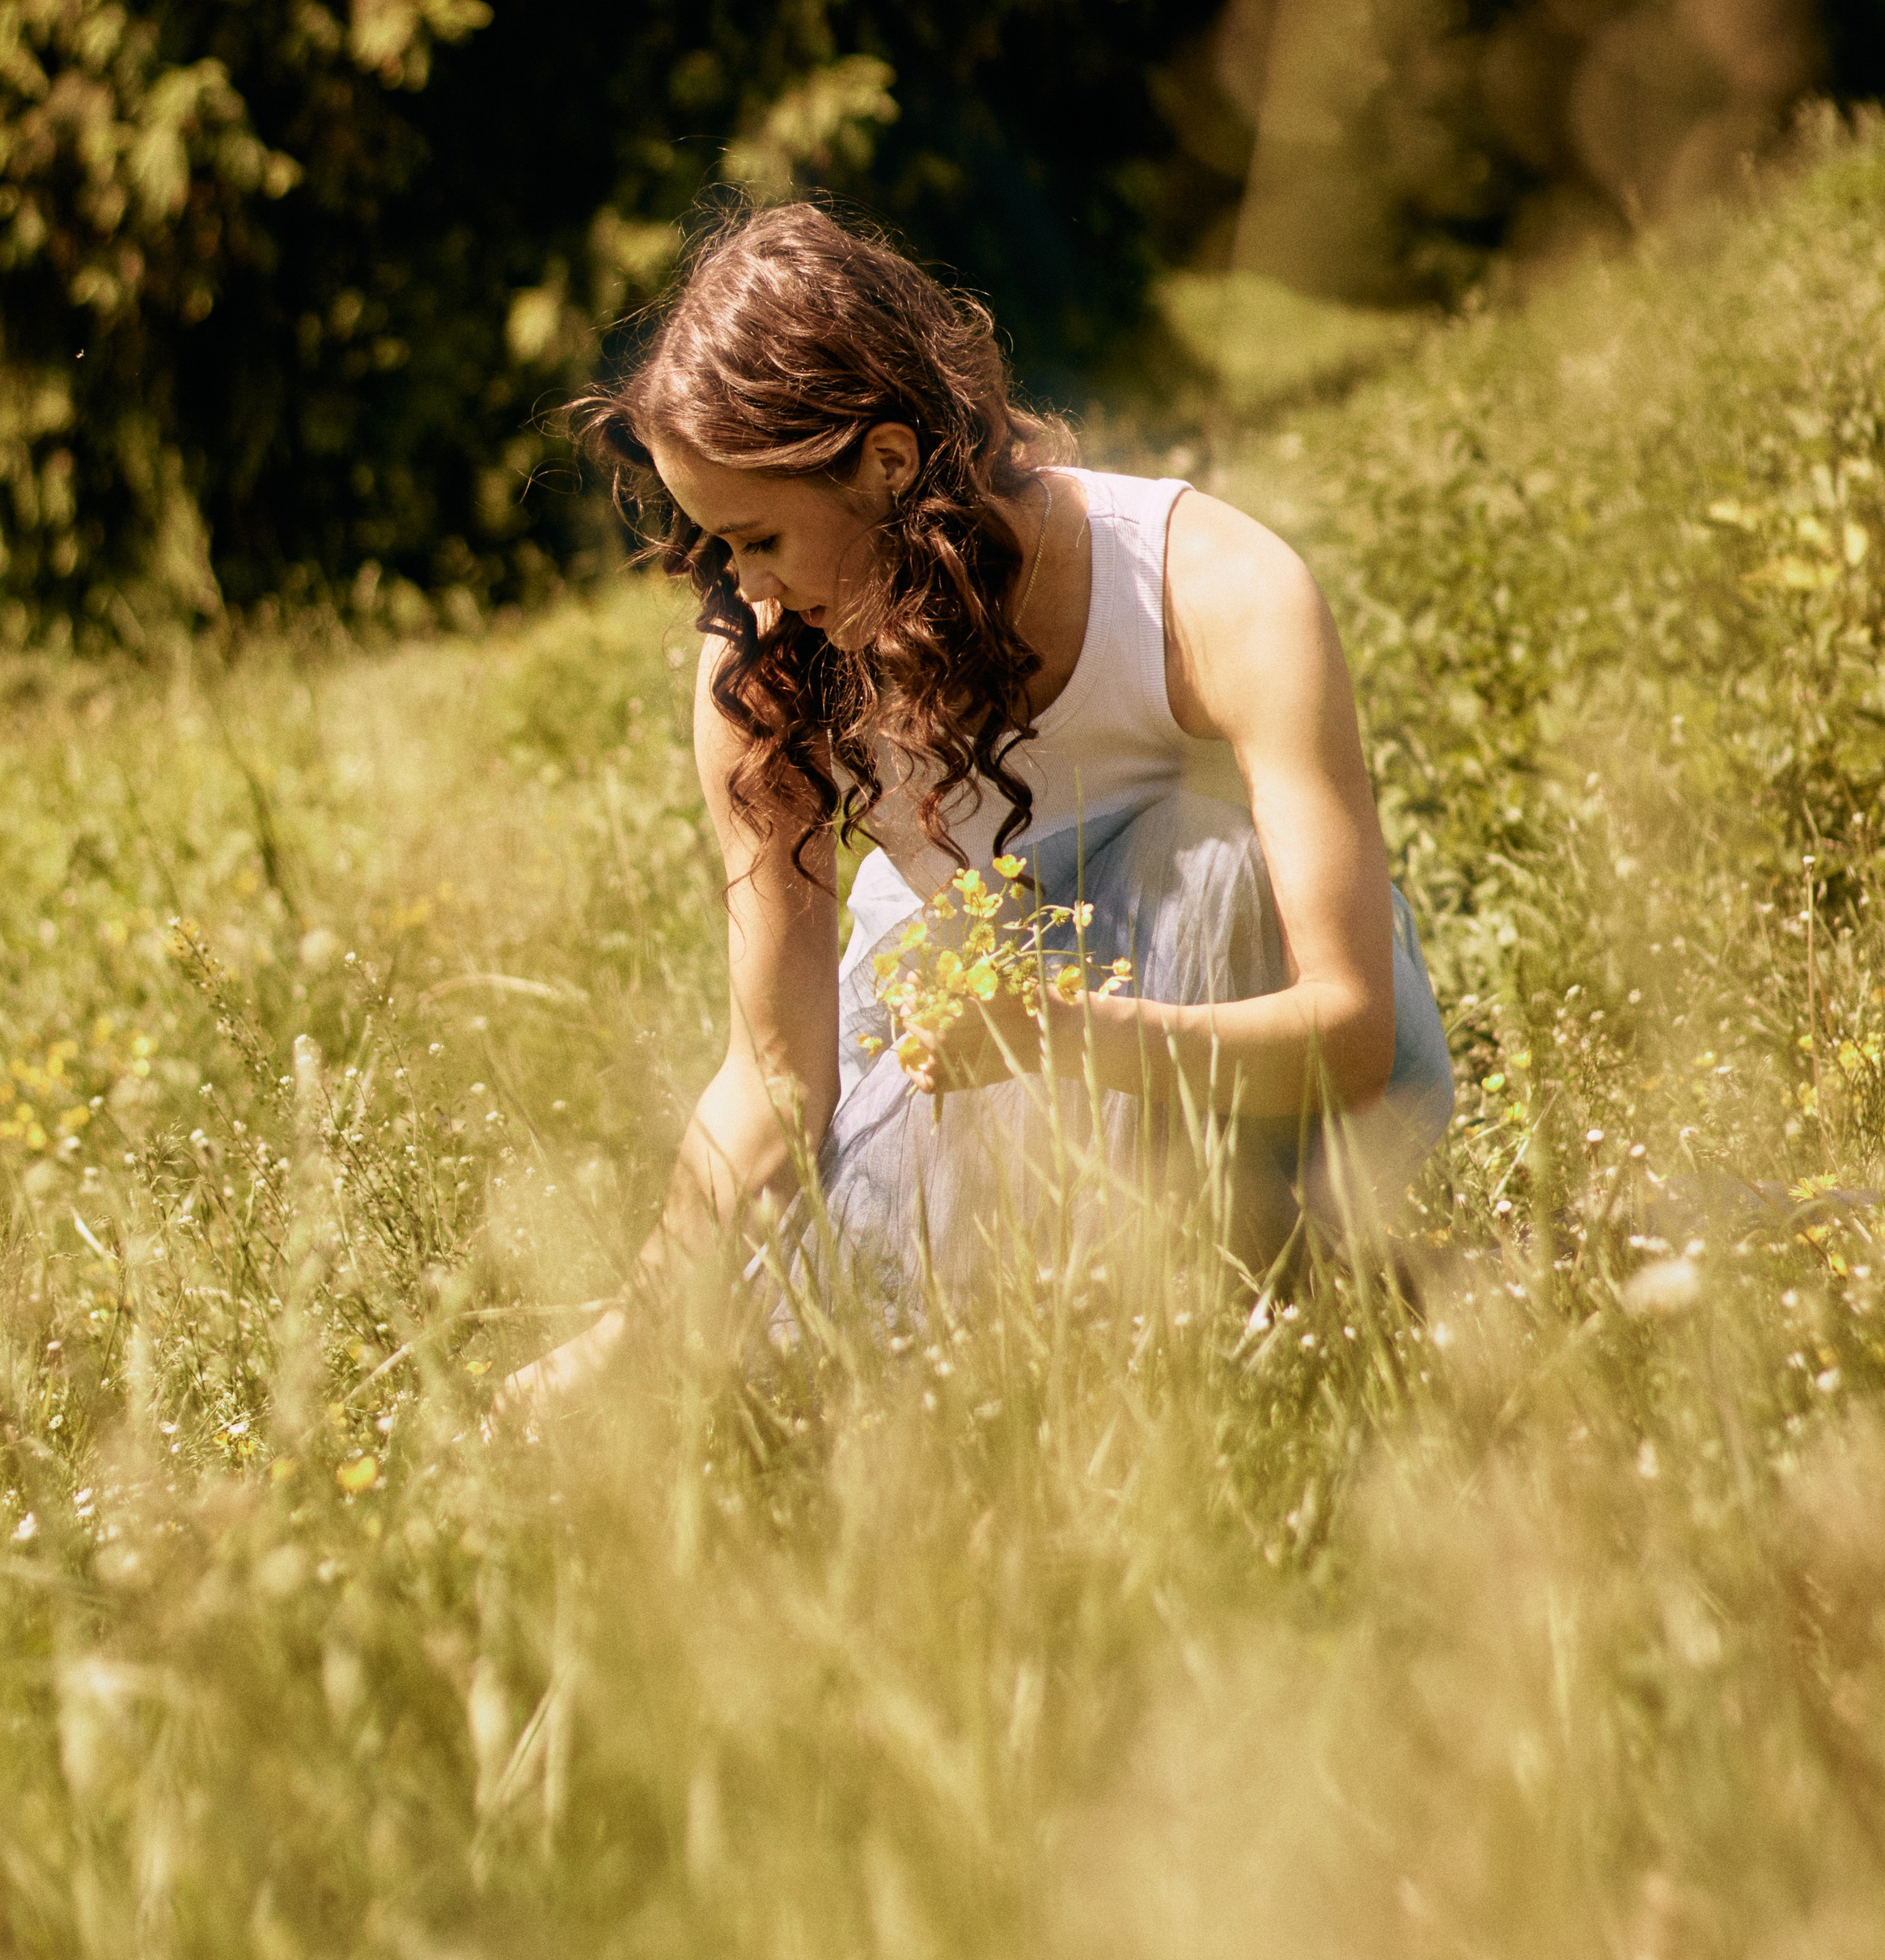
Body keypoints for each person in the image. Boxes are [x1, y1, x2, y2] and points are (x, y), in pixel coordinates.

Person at [502, 205, 1451, 1416]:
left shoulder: (1216, 591)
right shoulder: (767, 665)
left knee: (1205, 859)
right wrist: (623, 1337)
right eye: (719, 545)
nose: (747, 586)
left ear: (888, 464)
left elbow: (1354, 1037)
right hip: (970, 1056)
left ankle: (1215, 1319)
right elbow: (776, 1076)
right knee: (775, 1372)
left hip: (1239, 1067)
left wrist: (1059, 1037)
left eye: (761, 536)